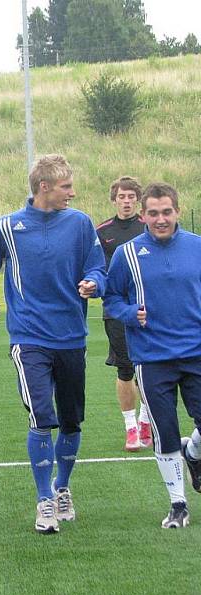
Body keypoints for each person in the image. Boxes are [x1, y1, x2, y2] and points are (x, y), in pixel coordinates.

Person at [0, 154, 106, 535]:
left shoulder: (82, 223)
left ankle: (62, 488)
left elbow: (97, 266)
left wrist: (94, 283)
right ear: (44, 187)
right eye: (67, 186)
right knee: (41, 416)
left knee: (71, 420)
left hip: (72, 335)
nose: (73, 192)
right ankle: (43, 500)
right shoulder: (7, 226)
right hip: (29, 337)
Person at [104, 182, 201, 529]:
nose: (161, 219)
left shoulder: (197, 247)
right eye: (154, 213)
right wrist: (130, 314)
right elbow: (112, 298)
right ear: (143, 216)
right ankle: (178, 504)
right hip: (153, 356)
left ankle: (195, 454)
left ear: (177, 211)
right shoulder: (127, 254)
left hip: (196, 353)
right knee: (165, 431)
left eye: (167, 212)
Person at [96, 176, 151, 451]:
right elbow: (99, 271)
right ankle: (130, 428)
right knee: (126, 368)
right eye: (122, 197)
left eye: (131, 196)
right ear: (114, 199)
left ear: (137, 200)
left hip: (148, 310)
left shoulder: (148, 227)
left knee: (149, 366)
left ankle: (145, 421)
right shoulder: (103, 231)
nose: (126, 201)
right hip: (116, 311)